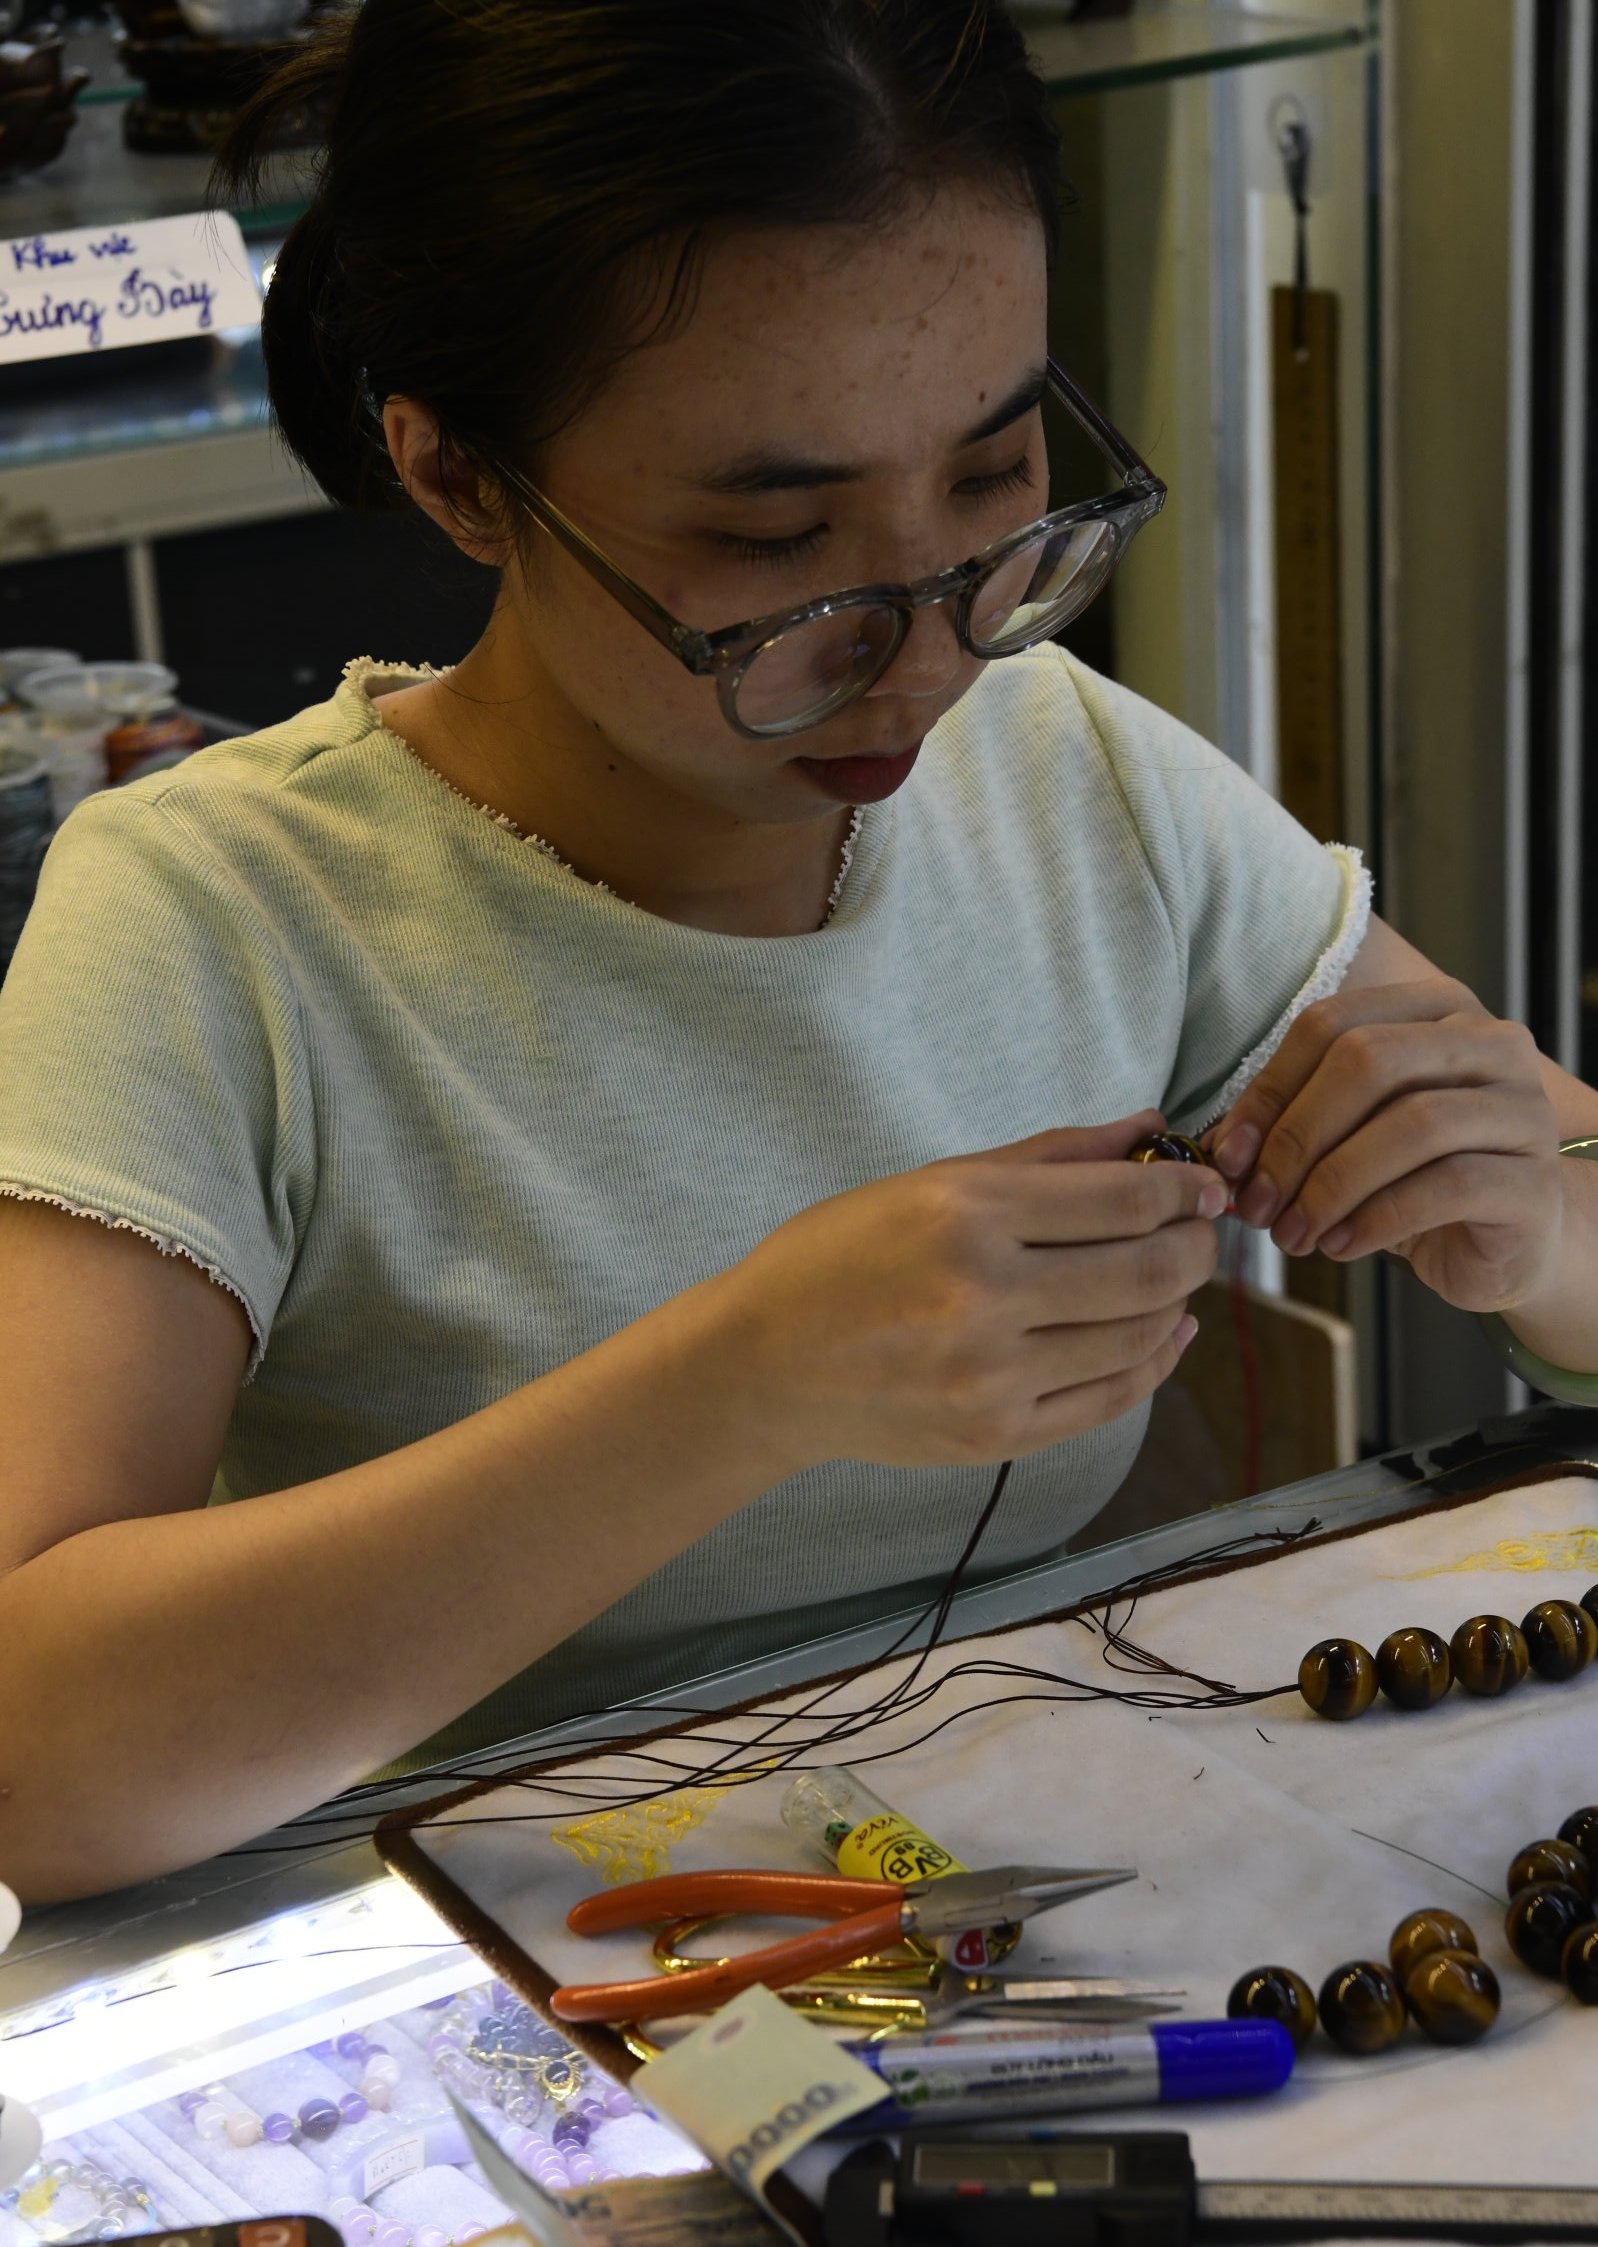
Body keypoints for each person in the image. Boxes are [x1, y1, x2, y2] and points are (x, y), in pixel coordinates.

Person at [0, 0, 1593, 1907]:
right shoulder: (216, 916)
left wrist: (1540, 1223)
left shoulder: (1066, 773)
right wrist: (732, 1388)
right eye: (776, 541)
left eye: (994, 478)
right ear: (457, 478)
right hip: (445, 1964)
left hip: (996, 1896)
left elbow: (1558, 1176)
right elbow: (36, 1763)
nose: (929, 656)